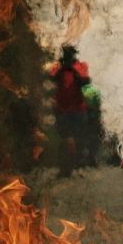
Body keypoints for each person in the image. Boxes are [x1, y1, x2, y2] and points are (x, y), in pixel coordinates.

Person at [49, 46, 89, 178]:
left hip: (78, 108)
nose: (69, 57)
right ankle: (64, 169)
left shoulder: (81, 66)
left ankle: (77, 167)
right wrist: (63, 68)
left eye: (70, 55)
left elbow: (85, 81)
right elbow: (51, 77)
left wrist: (71, 68)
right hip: (62, 108)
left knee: (78, 139)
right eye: (66, 55)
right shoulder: (57, 67)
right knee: (65, 139)